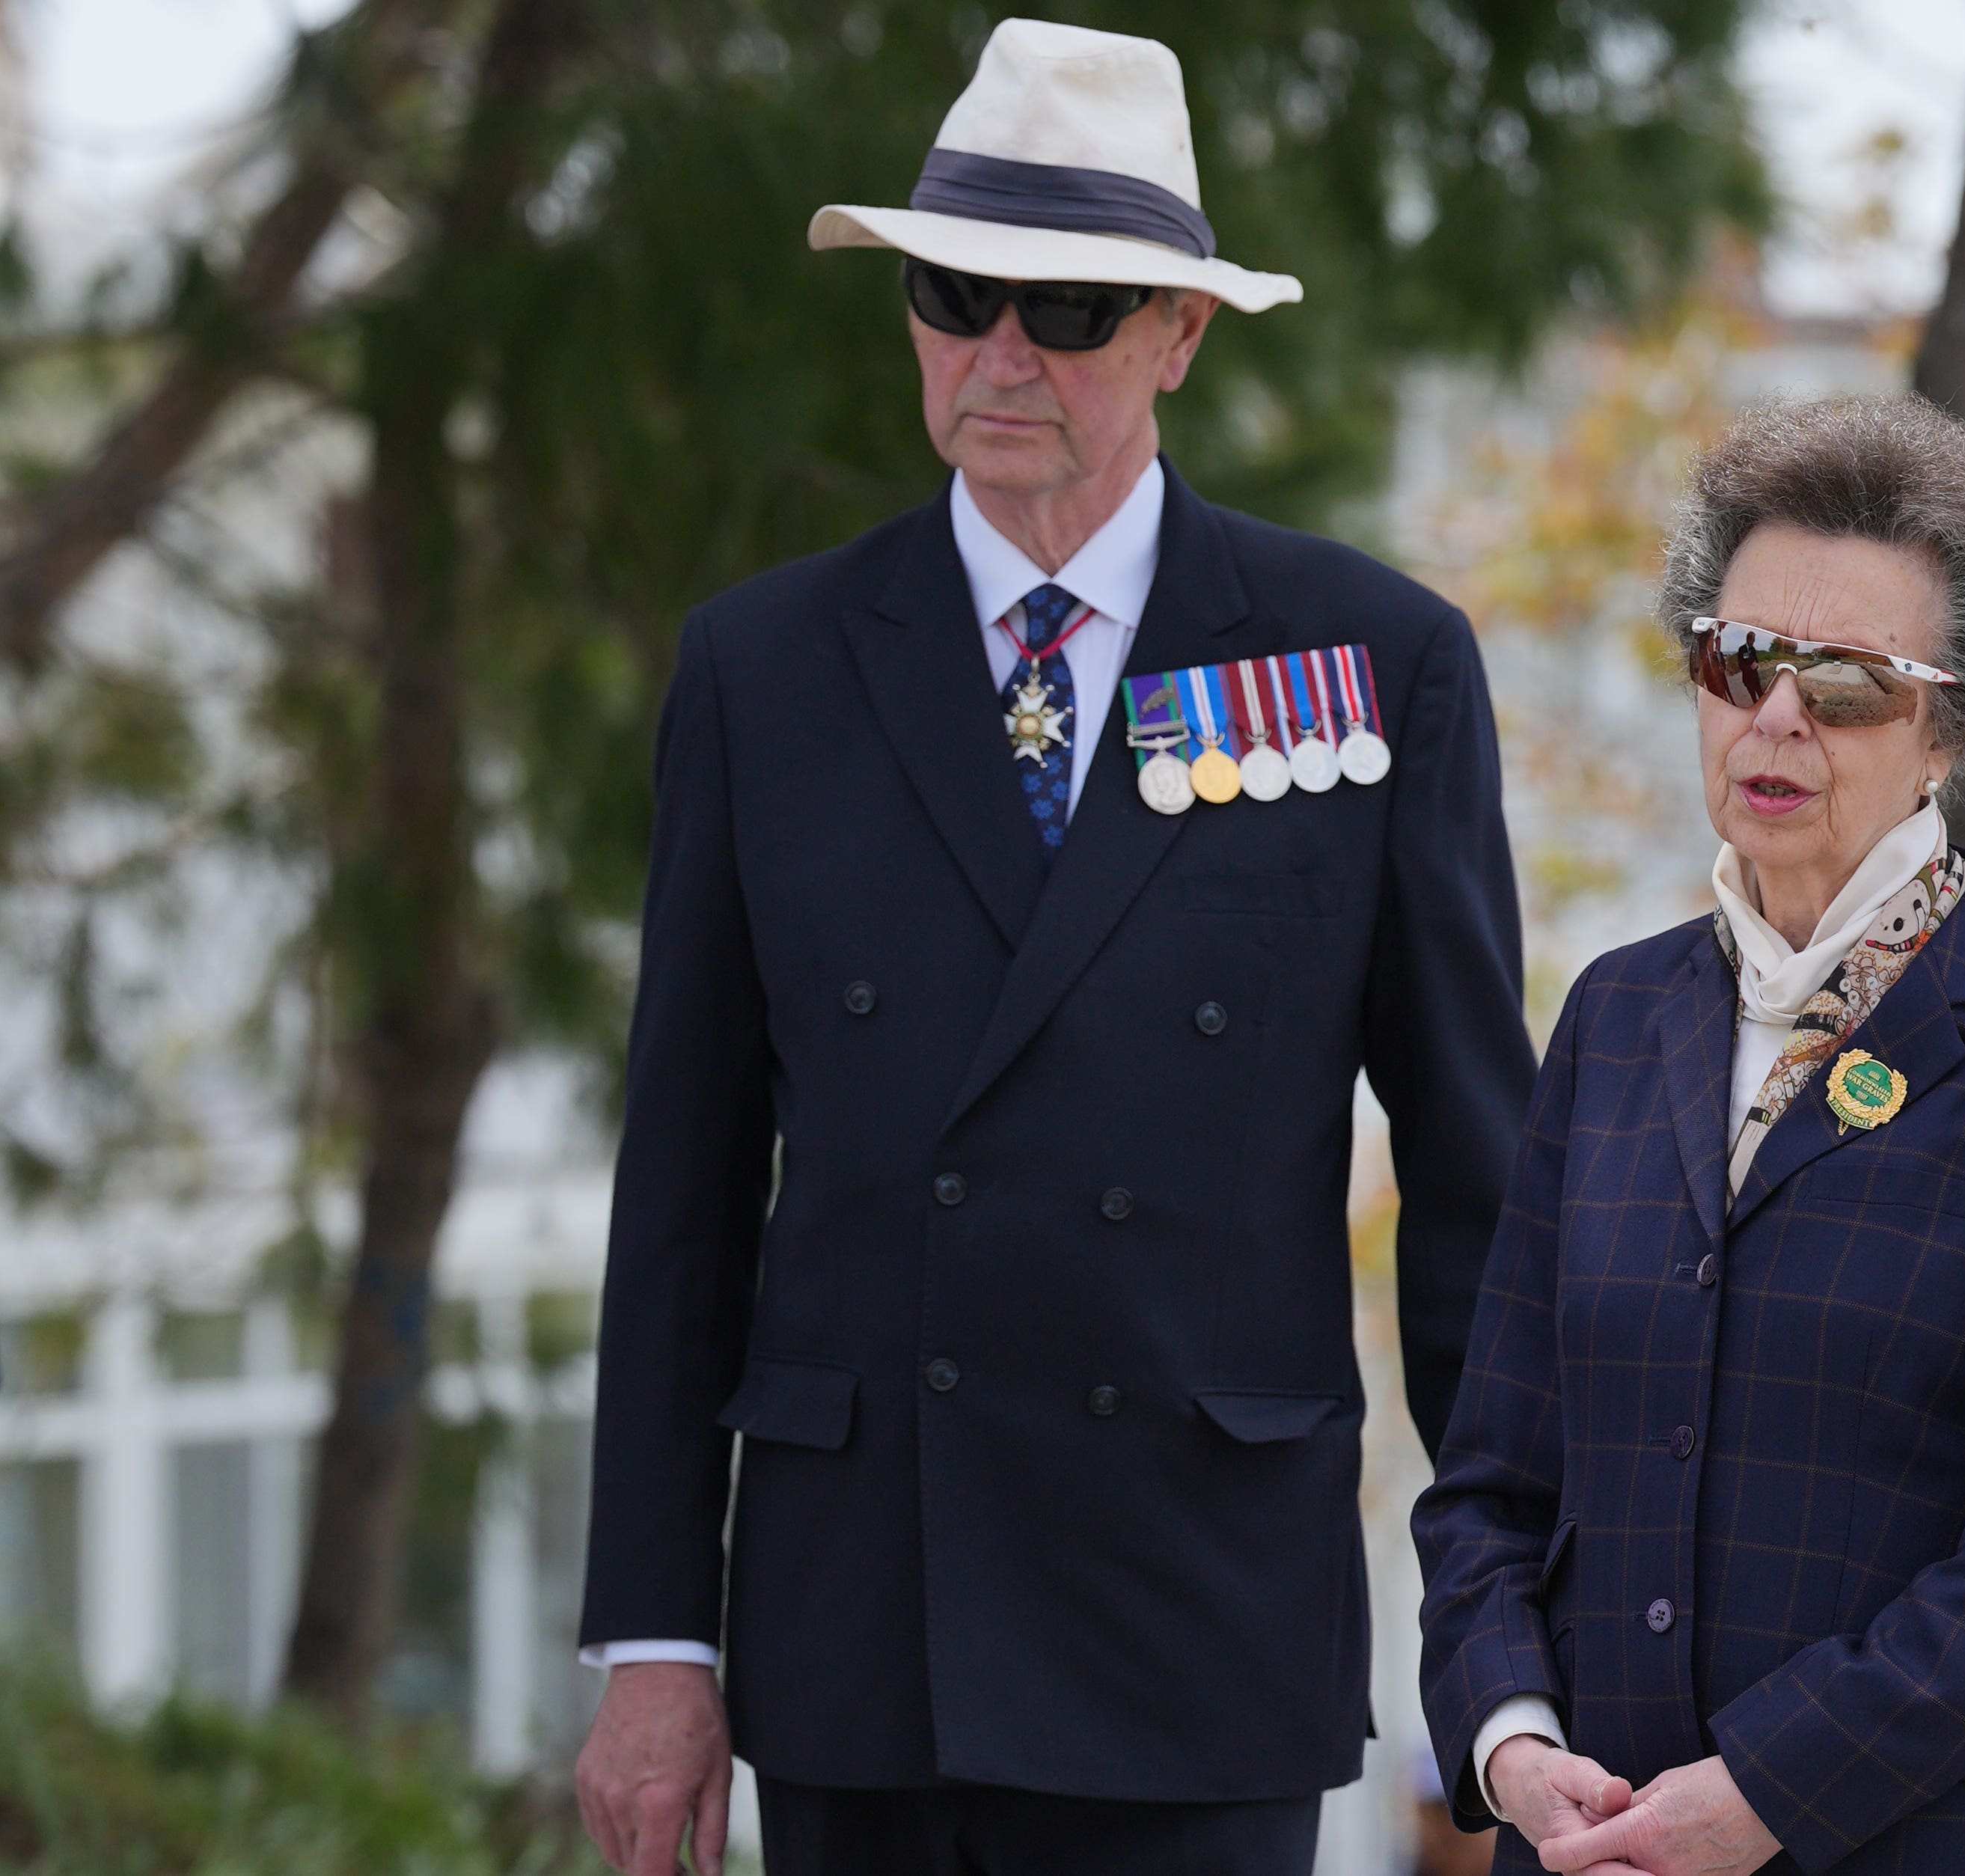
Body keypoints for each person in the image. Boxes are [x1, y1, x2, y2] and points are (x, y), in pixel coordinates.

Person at [568, 21, 1535, 1876]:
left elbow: (1480, 1186)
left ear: (1182, 335)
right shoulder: (759, 672)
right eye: (954, 295)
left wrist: (1509, 1654)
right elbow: (680, 1191)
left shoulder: (1371, 657)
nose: (1002, 355)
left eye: (1073, 308)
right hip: (863, 1635)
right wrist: (658, 1641)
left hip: (1197, 1615)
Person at [1414, 394, 1965, 1875]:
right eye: (1739, 661)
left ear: (1949, 724)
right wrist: (1511, 1742)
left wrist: (1770, 1793)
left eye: (1847, 682)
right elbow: (1492, 1479)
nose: (1775, 717)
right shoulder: (1615, 1015)